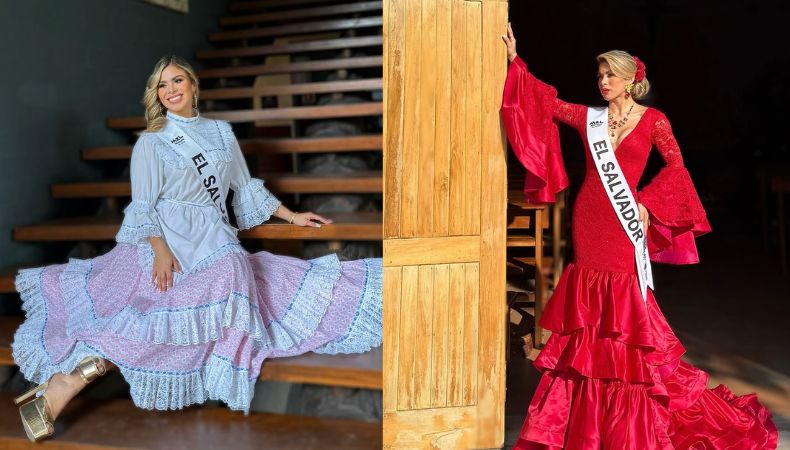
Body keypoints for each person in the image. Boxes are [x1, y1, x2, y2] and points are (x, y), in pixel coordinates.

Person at [11, 55, 382, 442]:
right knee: (150, 311)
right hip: (166, 238)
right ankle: (68, 382)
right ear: (156, 94)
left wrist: (291, 216)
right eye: (162, 85)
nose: (170, 90)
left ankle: (75, 376)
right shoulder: (152, 142)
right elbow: (143, 206)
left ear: (192, 85)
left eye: (177, 81)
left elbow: (245, 185)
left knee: (230, 280)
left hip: (215, 238)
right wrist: (158, 249)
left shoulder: (221, 133)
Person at [501, 24, 778, 449]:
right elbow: (547, 103)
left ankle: (625, 426)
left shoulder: (654, 121)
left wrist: (648, 205)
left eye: (610, 75)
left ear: (632, 78)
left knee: (624, 323)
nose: (603, 82)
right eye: (600, 76)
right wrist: (515, 61)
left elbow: (676, 167)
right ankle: (587, 425)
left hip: (623, 223)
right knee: (590, 322)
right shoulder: (590, 117)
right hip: (588, 219)